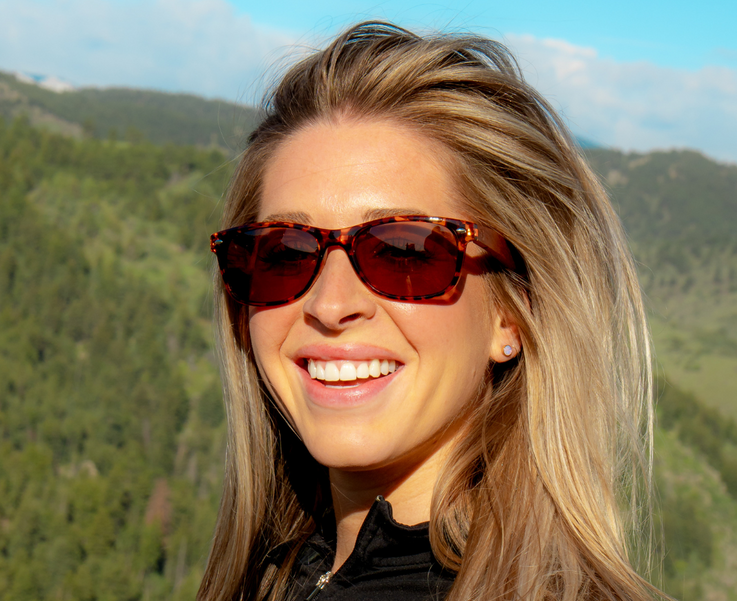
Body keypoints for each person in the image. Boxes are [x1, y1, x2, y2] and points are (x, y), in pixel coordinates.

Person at [199, 22, 661, 601]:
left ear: (512, 312)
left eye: (403, 250)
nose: (330, 304)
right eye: (284, 254)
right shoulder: (273, 580)